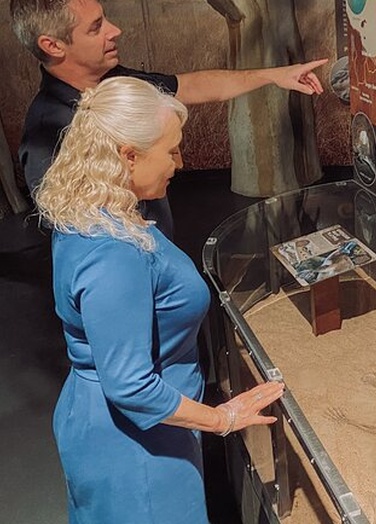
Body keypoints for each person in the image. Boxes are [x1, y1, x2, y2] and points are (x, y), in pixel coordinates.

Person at [33, 76, 284, 523]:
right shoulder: (114, 254)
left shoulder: (90, 211)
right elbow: (130, 385)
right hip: (134, 449)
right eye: (170, 151)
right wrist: (222, 418)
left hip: (112, 425)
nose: (181, 162)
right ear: (128, 155)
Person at [12, 0, 326, 239]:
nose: (115, 30)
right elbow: (75, 233)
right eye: (96, 27)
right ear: (52, 45)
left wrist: (276, 74)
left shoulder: (117, 81)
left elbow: (191, 86)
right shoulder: (47, 133)